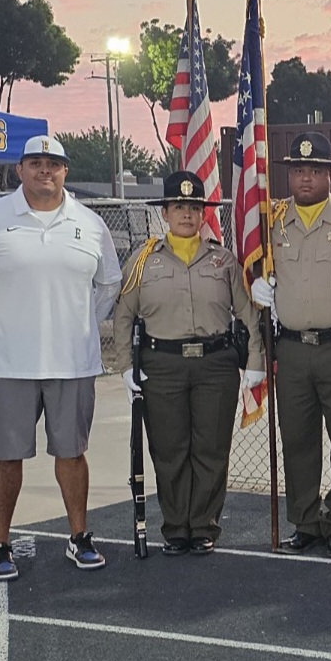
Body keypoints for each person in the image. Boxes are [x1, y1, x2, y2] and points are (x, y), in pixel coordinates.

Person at [0, 135, 121, 579]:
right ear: (20, 170)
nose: (44, 170)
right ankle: (0, 544)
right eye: (35, 162)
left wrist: (82, 323)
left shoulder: (90, 223)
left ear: (65, 170)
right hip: (9, 362)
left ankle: (79, 537)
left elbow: (110, 282)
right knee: (7, 458)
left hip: (73, 362)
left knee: (72, 453)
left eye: (53, 163)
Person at [248, 132, 331, 559]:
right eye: (298, 170)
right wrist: (255, 284)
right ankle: (305, 522)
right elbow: (249, 267)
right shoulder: (271, 223)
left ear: (330, 175)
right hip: (290, 351)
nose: (305, 178)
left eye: (314, 170)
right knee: (298, 439)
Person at [112, 171, 262, 555]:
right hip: (162, 365)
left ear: (203, 213)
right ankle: (177, 526)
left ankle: (204, 525)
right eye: (179, 207)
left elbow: (247, 314)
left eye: (194, 207)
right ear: (165, 213)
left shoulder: (223, 260)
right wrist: (126, 366)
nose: (187, 215)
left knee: (211, 449)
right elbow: (124, 316)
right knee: (169, 449)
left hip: (215, 365)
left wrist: (257, 362)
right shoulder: (143, 260)